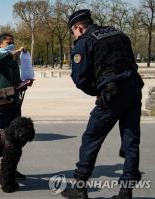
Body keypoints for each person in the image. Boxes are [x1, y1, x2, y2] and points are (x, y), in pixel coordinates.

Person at [61, 9, 144, 199]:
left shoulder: (85, 42)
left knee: (91, 138)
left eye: (73, 31)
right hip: (133, 88)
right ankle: (126, 191)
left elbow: (80, 79)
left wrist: (98, 92)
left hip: (112, 94)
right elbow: (131, 63)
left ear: (78, 28)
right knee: (131, 141)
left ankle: (80, 187)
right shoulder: (118, 33)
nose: (74, 34)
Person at [0, 32, 30, 180]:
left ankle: (11, 168)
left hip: (13, 102)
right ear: (0, 44)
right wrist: (12, 52)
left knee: (15, 138)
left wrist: (24, 84)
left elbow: (15, 80)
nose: (11, 44)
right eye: (8, 42)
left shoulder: (11, 60)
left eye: (12, 42)